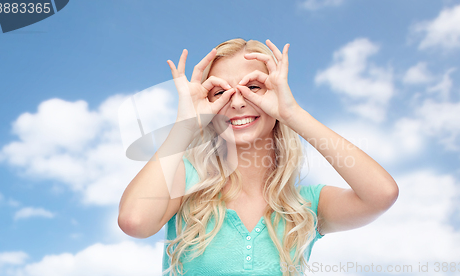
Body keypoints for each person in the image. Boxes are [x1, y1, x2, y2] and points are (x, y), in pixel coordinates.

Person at [118, 38, 399, 276]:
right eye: (220, 92)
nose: (238, 101)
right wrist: (186, 125)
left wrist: (293, 114)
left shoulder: (305, 207)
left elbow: (382, 194)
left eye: (253, 87)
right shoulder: (185, 181)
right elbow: (134, 221)